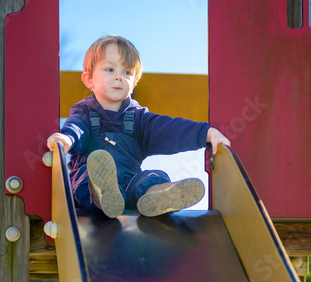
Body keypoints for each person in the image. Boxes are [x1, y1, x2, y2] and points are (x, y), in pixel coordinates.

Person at [47, 35, 230, 218]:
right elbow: (77, 127)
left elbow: (168, 130)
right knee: (88, 176)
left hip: (129, 186)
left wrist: (205, 132)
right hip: (90, 183)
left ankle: (162, 195)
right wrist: (67, 138)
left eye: (127, 72)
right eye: (110, 69)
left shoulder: (138, 119)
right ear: (89, 80)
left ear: (133, 83)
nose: (119, 77)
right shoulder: (85, 112)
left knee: (151, 177)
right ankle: (103, 195)